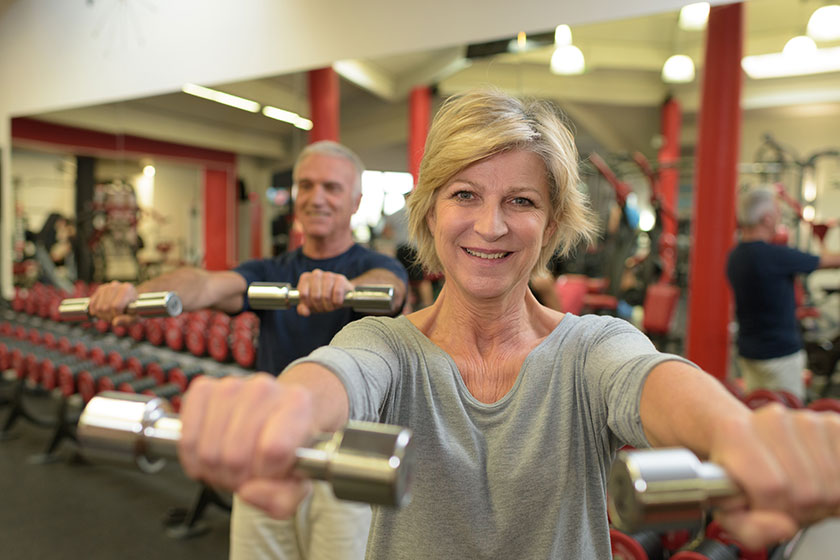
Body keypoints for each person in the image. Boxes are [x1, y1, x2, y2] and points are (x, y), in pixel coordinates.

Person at [176, 90, 840, 559]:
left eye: (519, 201)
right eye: (465, 195)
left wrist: (738, 432)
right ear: (432, 212)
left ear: (551, 225)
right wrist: (283, 409)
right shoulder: (387, 345)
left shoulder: (591, 350)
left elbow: (652, 380)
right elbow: (335, 374)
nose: (490, 226)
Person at [88, 140, 409, 560]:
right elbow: (204, 285)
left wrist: (345, 289)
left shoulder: (373, 267)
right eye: (305, 186)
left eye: (331, 187)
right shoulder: (270, 271)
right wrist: (137, 294)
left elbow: (390, 289)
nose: (316, 198)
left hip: (344, 453)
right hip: (269, 442)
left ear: (355, 201)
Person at [727, 187, 840, 400]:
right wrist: (822, 237)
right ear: (767, 218)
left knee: (758, 412)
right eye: (777, 213)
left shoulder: (735, 257)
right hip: (780, 355)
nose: (779, 218)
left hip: (749, 353)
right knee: (788, 419)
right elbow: (832, 260)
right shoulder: (775, 256)